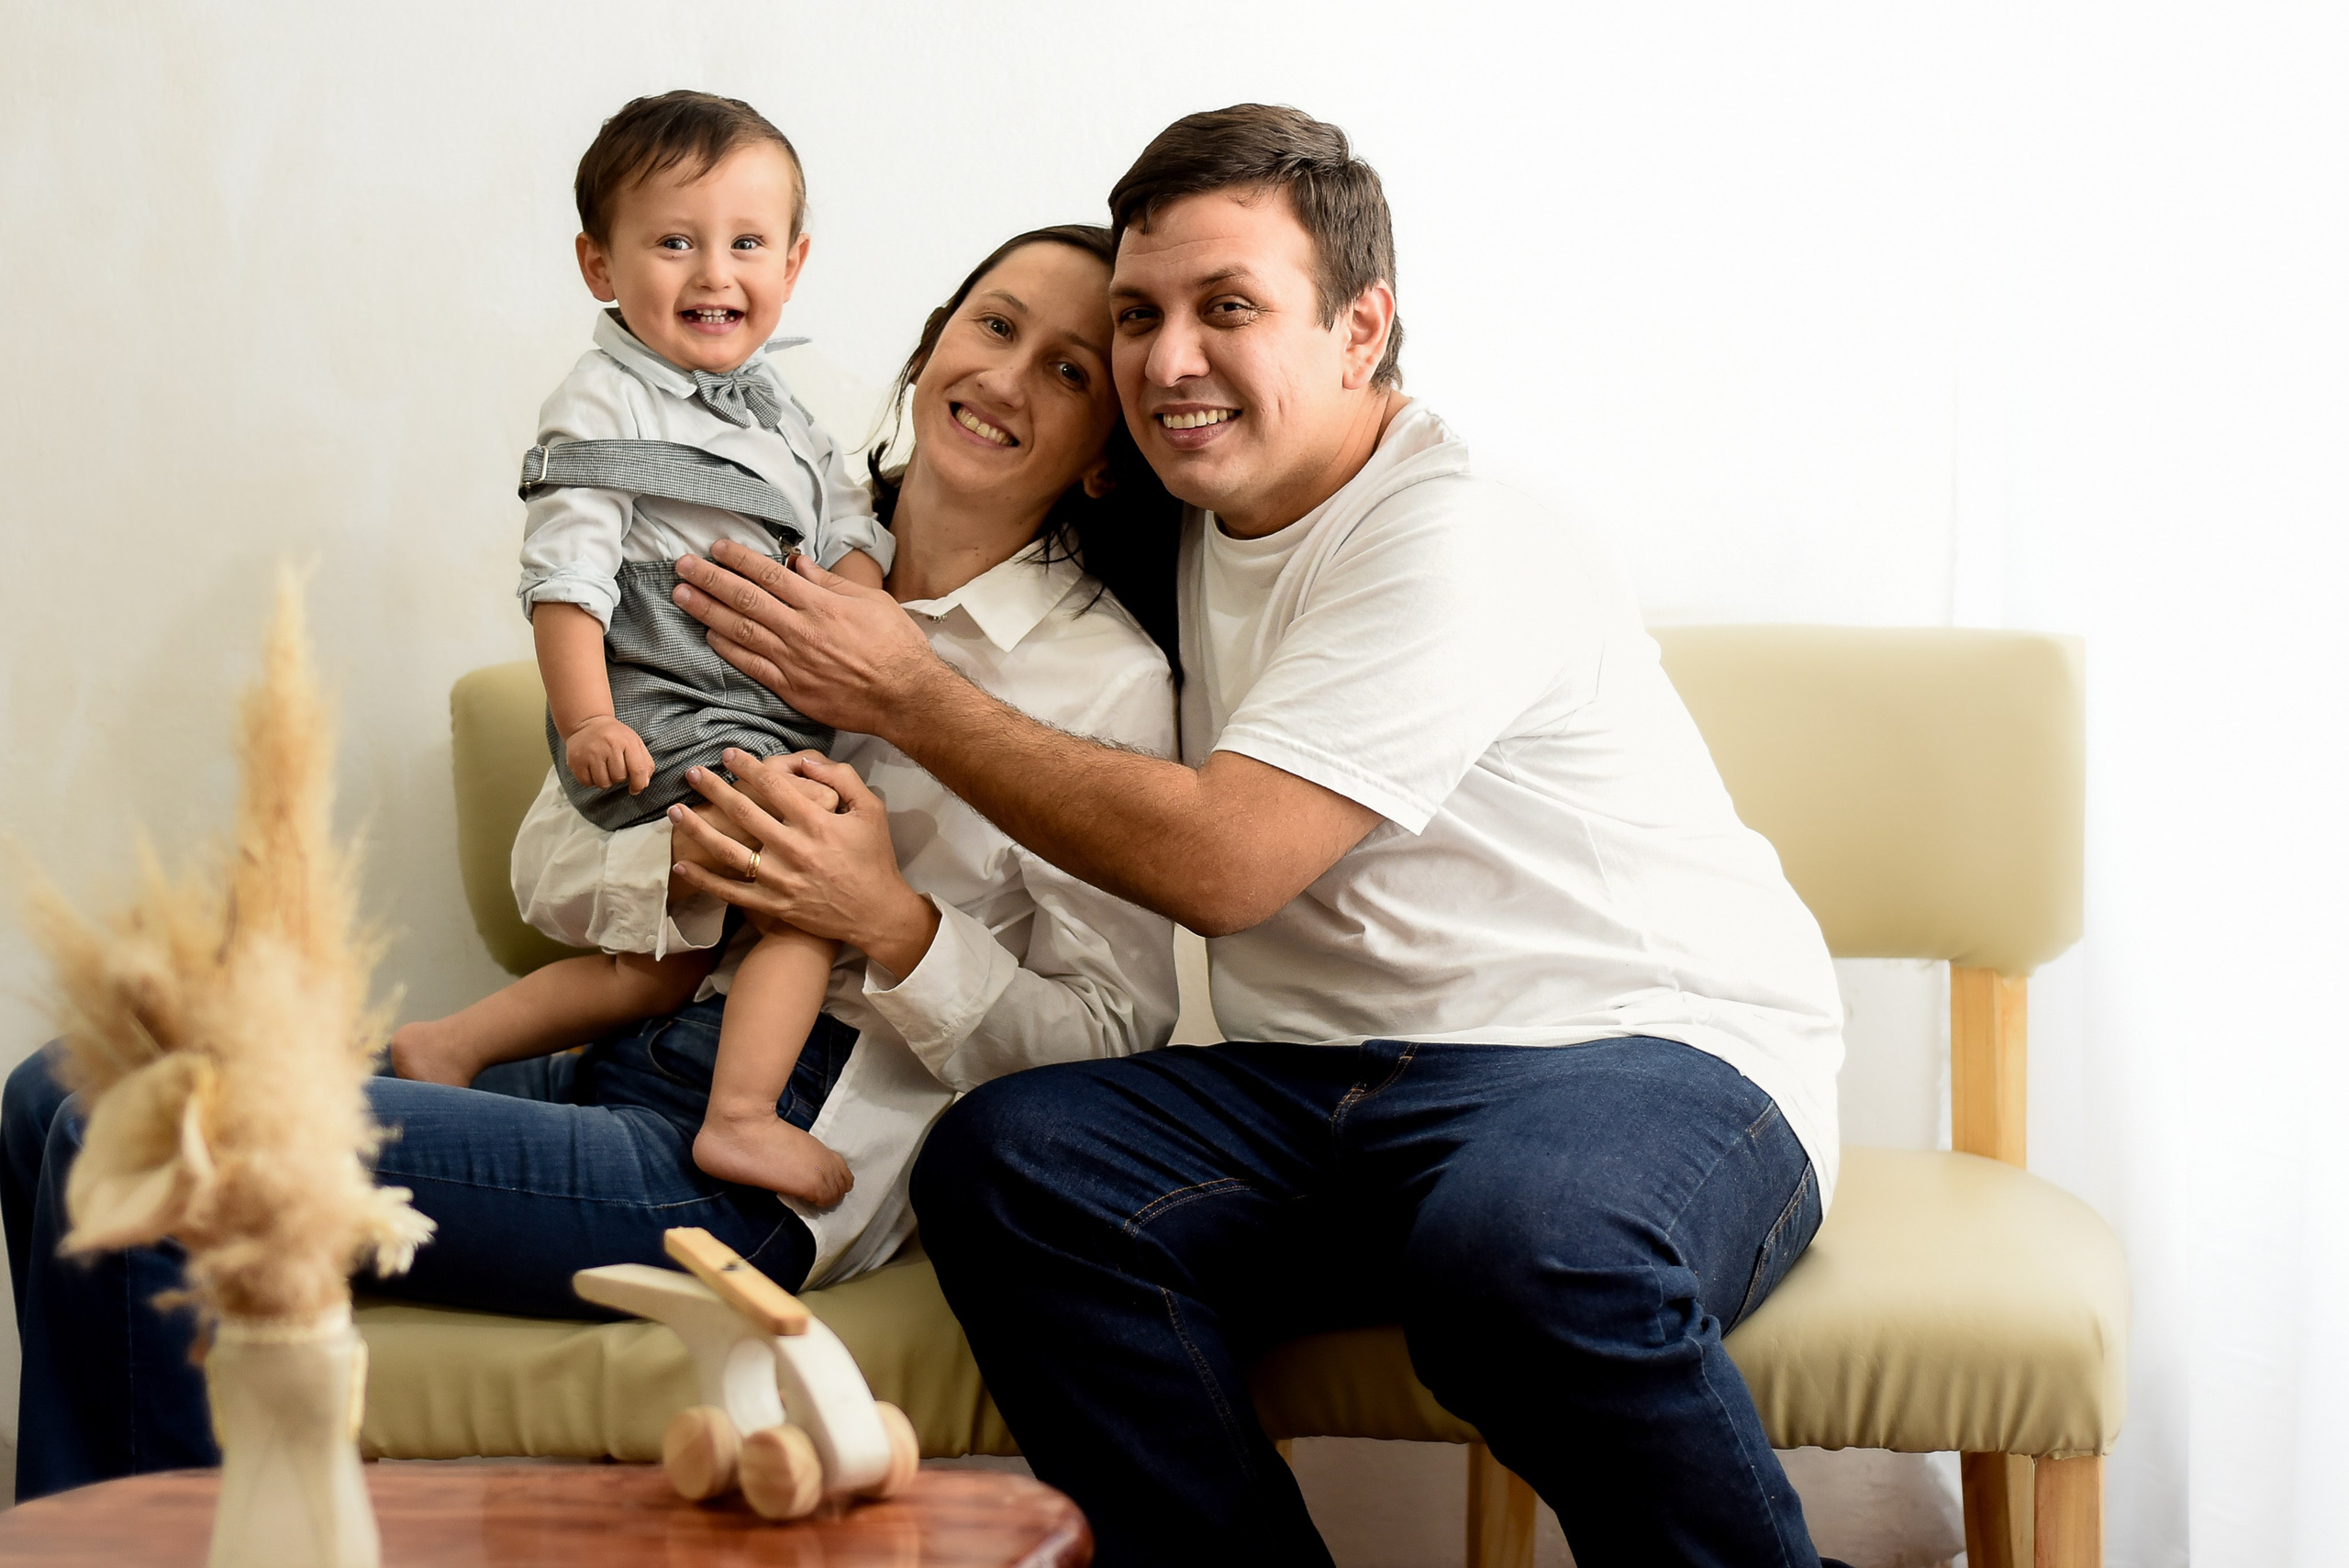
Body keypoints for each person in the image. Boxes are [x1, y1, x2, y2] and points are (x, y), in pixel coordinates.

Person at [662, 106, 1852, 1568]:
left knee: (1519, 1246)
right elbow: (918, 480)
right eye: (1141, 316)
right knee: (1017, 1163)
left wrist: (906, 691)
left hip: (1637, 1055)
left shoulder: (1456, 535)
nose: (1169, 363)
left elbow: (1228, 862)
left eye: (1229, 309)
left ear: (1363, 330)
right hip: (1330, 1088)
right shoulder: (1182, 511)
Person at [0, 223, 1181, 1501]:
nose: (1008, 377)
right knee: (51, 1088)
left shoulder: (1099, 683)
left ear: (1109, 461)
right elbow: (552, 860)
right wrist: (686, 866)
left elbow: (1112, 1049)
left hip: (759, 1158)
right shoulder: (759, 540)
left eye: (1070, 372)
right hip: (614, 1049)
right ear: (935, 342)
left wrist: (891, 922)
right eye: (995, 325)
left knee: (142, 1130)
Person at [388, 90, 898, 1206]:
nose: (716, 274)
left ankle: (448, 1043)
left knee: (662, 970)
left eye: (747, 244)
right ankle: (742, 1115)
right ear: (598, 264)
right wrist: (588, 721)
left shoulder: (777, 405)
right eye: (675, 242)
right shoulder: (604, 402)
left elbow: (846, 515)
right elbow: (565, 582)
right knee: (810, 881)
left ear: (795, 262)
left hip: (756, 707)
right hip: (672, 700)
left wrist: (855, 586)